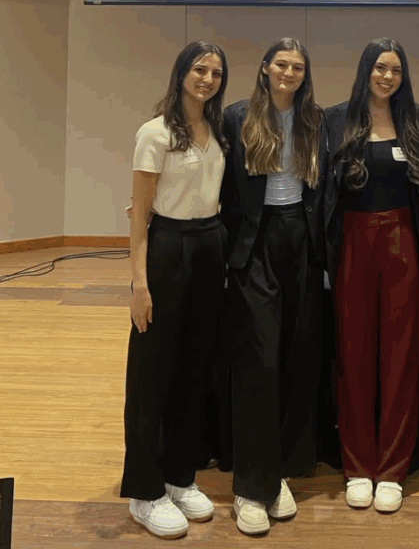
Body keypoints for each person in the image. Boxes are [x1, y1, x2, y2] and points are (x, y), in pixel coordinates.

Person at [121, 40, 229, 539]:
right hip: (166, 248)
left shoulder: (218, 130)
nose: (207, 79)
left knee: (193, 369)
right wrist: (139, 285)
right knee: (152, 373)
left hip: (209, 246)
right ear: (181, 72)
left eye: (215, 73)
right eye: (199, 69)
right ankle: (144, 491)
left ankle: (179, 477)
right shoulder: (155, 132)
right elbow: (139, 216)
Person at [220, 38, 327, 537]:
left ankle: (277, 471)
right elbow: (219, 182)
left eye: (297, 67)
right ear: (265, 68)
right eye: (281, 64)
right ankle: (249, 486)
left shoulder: (314, 119)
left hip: (299, 240)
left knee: (293, 357)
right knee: (258, 363)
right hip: (255, 242)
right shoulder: (237, 116)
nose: (289, 72)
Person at [324, 37, 419, 515]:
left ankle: (391, 470)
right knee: (354, 354)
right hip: (352, 242)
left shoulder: (415, 119)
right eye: (380, 68)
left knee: (400, 356)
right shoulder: (336, 118)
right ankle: (358, 467)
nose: (388, 77)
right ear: (366, 69)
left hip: (402, 240)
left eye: (396, 70)